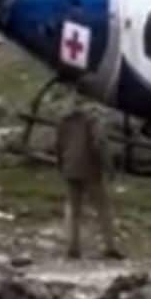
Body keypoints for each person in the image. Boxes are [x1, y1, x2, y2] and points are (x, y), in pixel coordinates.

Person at [55, 97, 123, 260]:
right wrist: (109, 167)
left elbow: (58, 145)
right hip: (90, 168)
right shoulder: (92, 121)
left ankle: (72, 246)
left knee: (72, 209)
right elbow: (99, 144)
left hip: (69, 166)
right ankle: (110, 246)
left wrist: (61, 164)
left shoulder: (63, 121)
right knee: (103, 207)